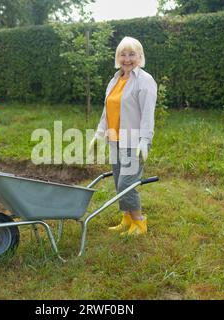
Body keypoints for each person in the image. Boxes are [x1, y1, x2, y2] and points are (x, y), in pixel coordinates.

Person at [88, 36, 157, 236]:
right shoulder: (115, 79)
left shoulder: (145, 80)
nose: (127, 59)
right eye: (123, 54)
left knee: (127, 184)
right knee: (119, 181)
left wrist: (145, 140)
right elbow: (107, 109)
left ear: (140, 56)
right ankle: (127, 219)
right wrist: (100, 134)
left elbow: (147, 113)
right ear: (117, 57)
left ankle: (139, 222)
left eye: (132, 54)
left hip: (134, 141)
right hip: (115, 139)